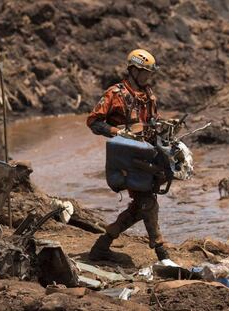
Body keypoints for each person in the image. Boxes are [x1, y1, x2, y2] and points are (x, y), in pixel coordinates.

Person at [86, 49, 169, 261]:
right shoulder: (115, 94)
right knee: (147, 203)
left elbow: (152, 122)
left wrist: (164, 127)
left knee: (141, 204)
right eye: (145, 72)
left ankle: (101, 246)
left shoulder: (149, 94)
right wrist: (117, 132)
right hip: (126, 158)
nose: (148, 77)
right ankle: (162, 254)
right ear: (133, 70)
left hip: (147, 154)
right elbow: (94, 122)